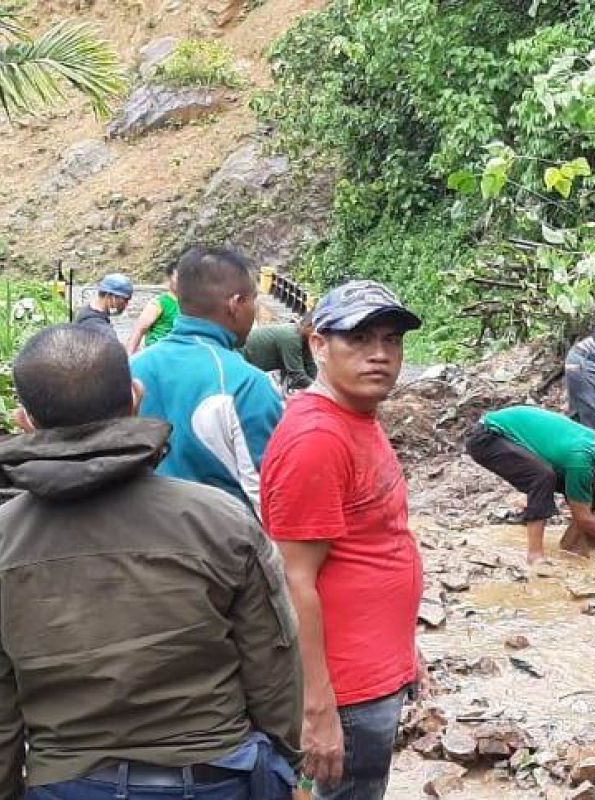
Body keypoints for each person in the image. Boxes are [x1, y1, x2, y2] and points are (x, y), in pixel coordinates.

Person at [0, 324, 301, 800]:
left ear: (25, 420)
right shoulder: (220, 522)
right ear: (136, 397)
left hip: (68, 784)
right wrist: (283, 766)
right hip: (217, 778)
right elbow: (273, 668)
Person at [261, 280, 427, 800]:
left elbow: (376, 541)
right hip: (347, 690)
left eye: (391, 340)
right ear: (317, 344)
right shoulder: (318, 438)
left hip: (373, 671)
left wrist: (404, 648)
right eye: (358, 340)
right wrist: (318, 707)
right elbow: (293, 579)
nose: (379, 355)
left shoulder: (357, 416)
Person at [131, 246, 282, 516]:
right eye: (253, 300)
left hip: (138, 537)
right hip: (222, 546)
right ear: (235, 305)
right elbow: (270, 498)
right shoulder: (245, 383)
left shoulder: (130, 370)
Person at [466, 405, 595, 564]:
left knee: (591, 494)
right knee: (542, 477)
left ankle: (572, 550)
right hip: (488, 436)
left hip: (521, 438)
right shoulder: (581, 461)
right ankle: (535, 555)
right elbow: (583, 518)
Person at [244, 313, 319, 392]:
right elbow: (297, 375)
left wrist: (318, 385)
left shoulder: (305, 338)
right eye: (319, 331)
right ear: (309, 326)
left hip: (256, 365)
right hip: (246, 358)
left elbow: (310, 366)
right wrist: (319, 390)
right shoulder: (291, 338)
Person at [126, 262, 180, 353]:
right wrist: (128, 357)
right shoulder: (159, 303)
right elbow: (139, 331)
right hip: (157, 354)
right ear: (169, 280)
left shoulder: (191, 303)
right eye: (178, 278)